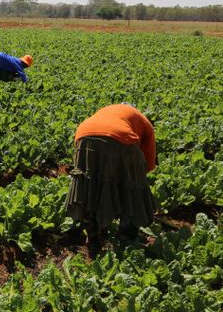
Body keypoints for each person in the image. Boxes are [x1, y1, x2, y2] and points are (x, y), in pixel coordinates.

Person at [65, 103, 157, 253]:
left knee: (90, 187)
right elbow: (149, 163)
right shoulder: (143, 120)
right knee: (133, 190)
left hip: (83, 134)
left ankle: (94, 237)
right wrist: (131, 177)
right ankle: (126, 237)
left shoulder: (107, 110)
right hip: (121, 137)